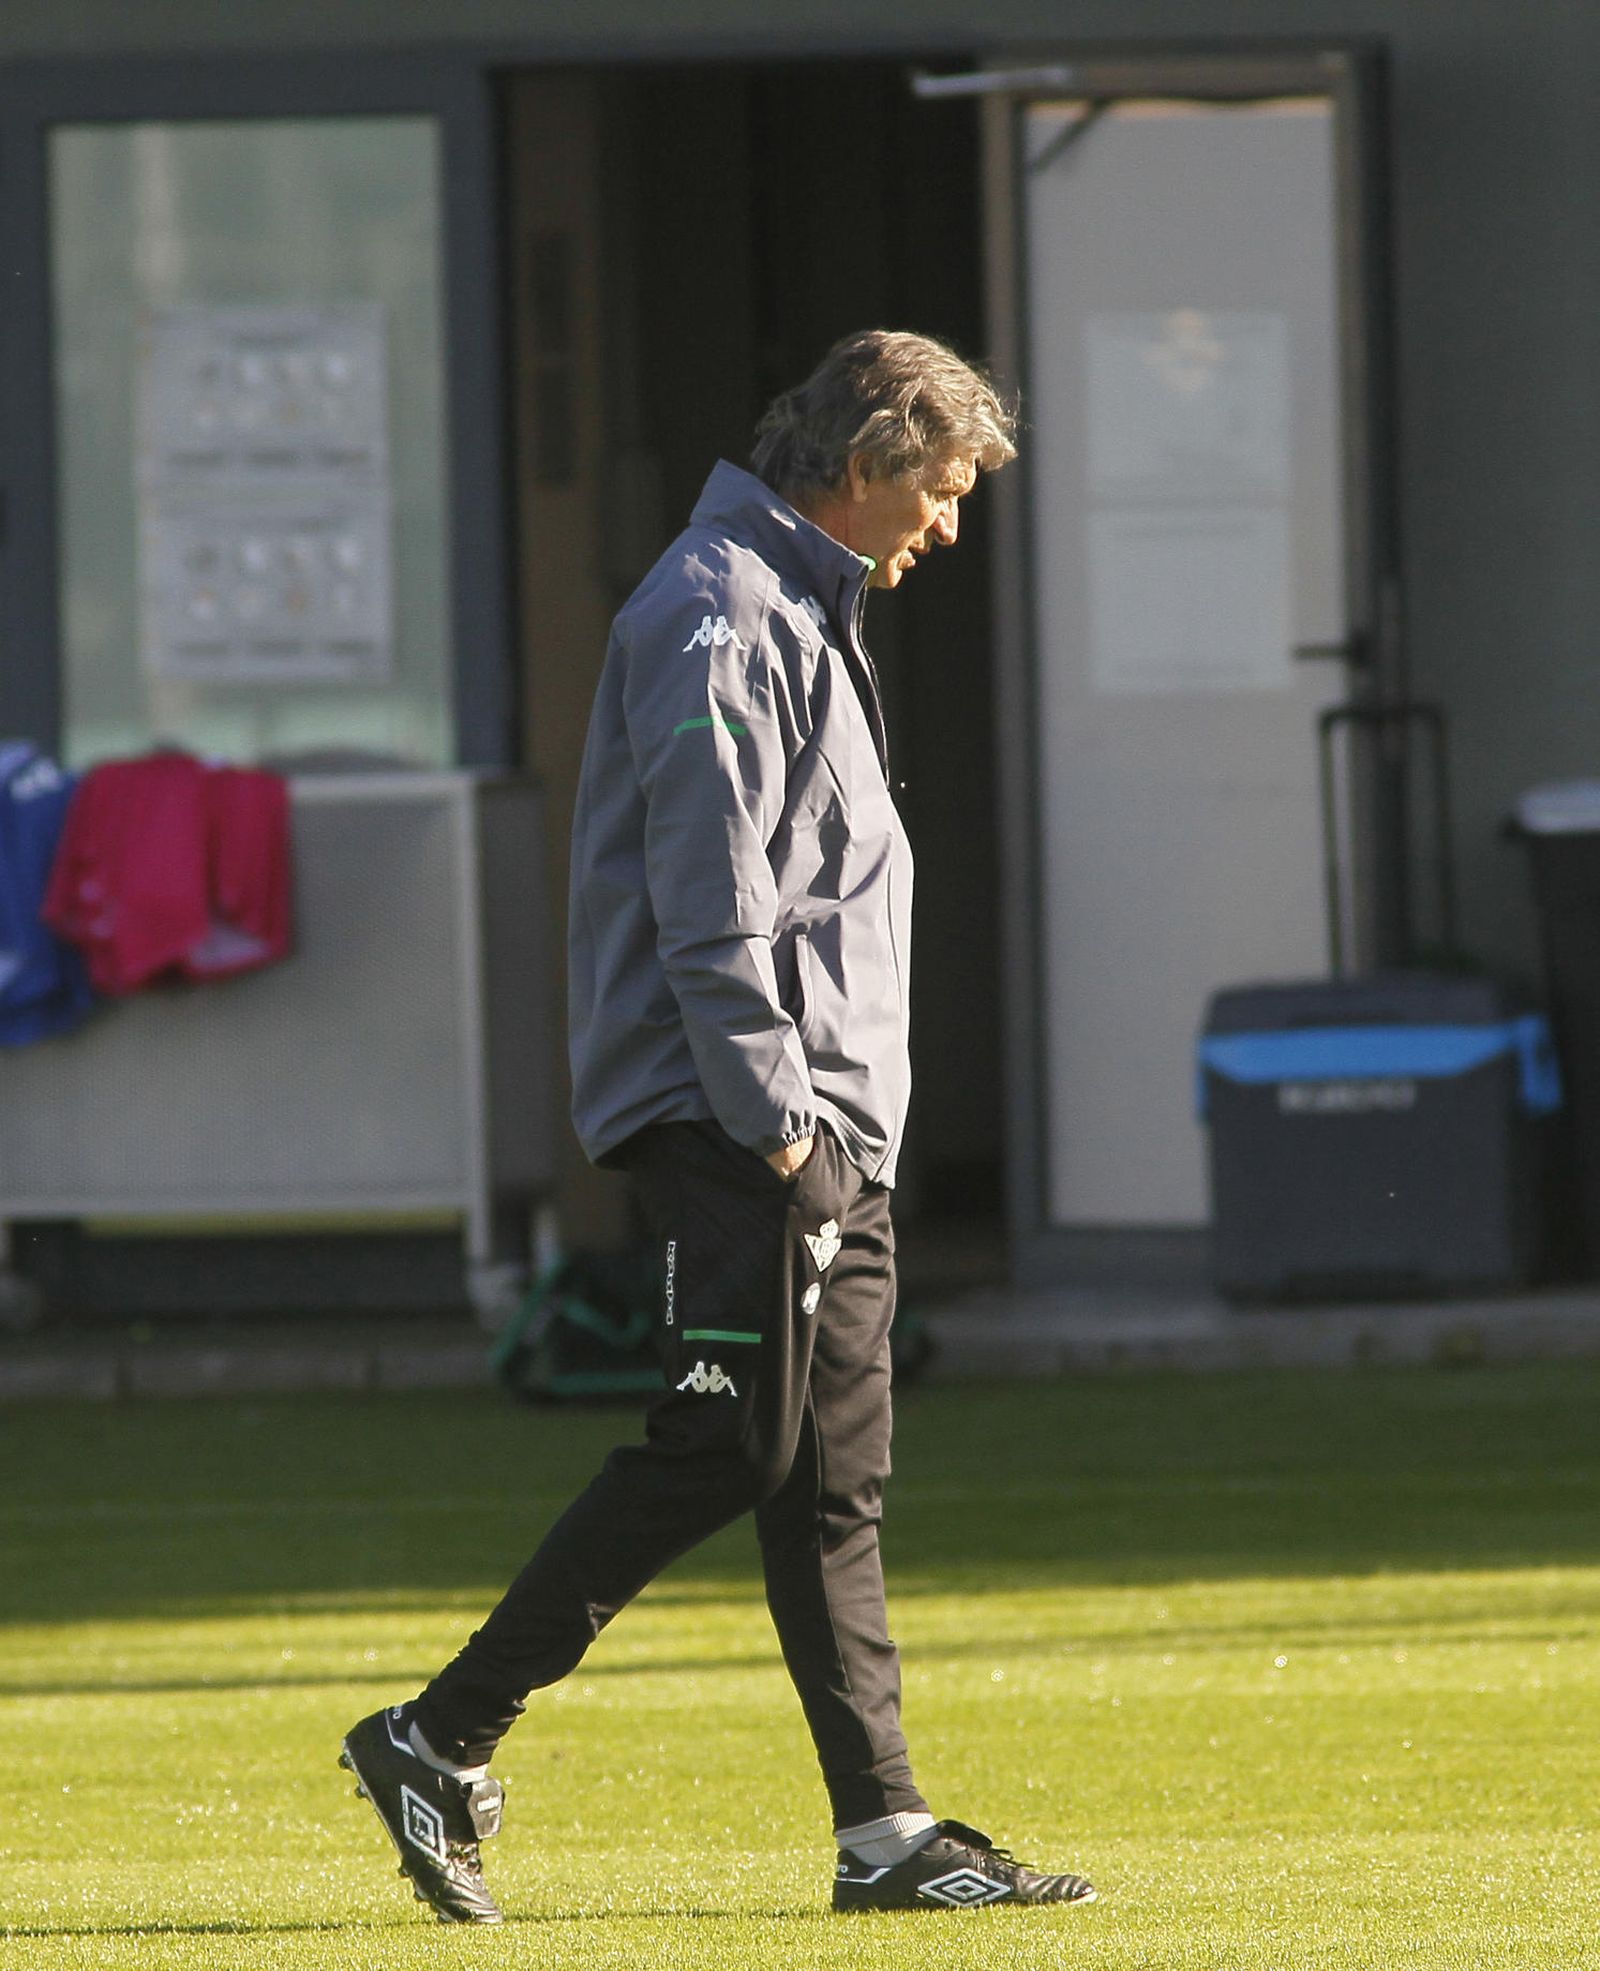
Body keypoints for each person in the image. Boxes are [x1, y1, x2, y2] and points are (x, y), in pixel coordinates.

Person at [339, 329, 1096, 1923]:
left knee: (830, 1487)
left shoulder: (804, 601)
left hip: (827, 1129)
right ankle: (438, 1732)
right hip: (745, 1122)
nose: (950, 526)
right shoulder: (714, 612)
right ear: (866, 460)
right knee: (727, 1441)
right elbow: (712, 913)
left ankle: (885, 1836)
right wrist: (779, 1138)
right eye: (944, 492)